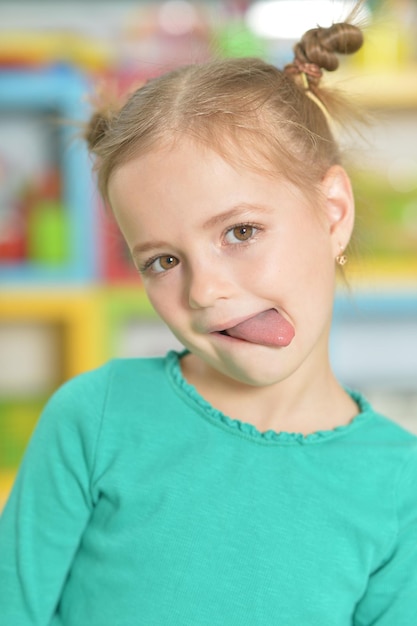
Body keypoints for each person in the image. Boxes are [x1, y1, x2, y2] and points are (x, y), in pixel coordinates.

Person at [1, 10, 416, 626]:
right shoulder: (95, 419)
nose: (204, 291)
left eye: (240, 231)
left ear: (332, 212)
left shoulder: (400, 485)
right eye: (164, 260)